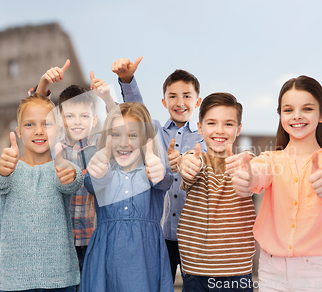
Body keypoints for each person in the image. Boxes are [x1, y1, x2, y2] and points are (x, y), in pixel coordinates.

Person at [230, 75, 322, 292]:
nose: (296, 116)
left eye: (307, 109)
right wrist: (247, 176)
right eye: (288, 110)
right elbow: (259, 173)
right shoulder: (269, 160)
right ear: (280, 116)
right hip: (271, 270)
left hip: (316, 270)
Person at [112, 57, 206, 282]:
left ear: (198, 101)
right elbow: (138, 111)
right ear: (164, 102)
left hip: (193, 235)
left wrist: (184, 161)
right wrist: (127, 80)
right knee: (157, 283)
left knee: (195, 285)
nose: (179, 101)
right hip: (161, 233)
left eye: (186, 96)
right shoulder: (154, 131)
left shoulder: (205, 136)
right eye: (172, 96)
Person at [0, 93, 83, 291]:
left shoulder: (62, 167)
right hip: (15, 282)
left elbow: (73, 181)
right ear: (18, 131)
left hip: (60, 281)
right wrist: (0, 169)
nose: (39, 131)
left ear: (58, 131)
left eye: (46, 124)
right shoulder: (8, 169)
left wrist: (71, 174)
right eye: (29, 125)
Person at [79, 102, 174, 292]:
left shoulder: (152, 172)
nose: (124, 143)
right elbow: (92, 182)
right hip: (105, 264)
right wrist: (98, 171)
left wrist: (159, 170)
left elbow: (165, 180)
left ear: (145, 139)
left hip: (145, 264)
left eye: (133, 135)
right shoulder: (103, 172)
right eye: (116, 134)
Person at [32, 60, 115, 275]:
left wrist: (106, 97)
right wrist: (43, 83)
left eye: (84, 116)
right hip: (60, 241)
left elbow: (121, 124)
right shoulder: (53, 145)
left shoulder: (99, 145)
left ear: (94, 119)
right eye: (70, 116)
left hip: (93, 239)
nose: (77, 122)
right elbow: (36, 112)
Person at [178, 92, 256, 291]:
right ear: (199, 127)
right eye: (211, 123)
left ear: (238, 129)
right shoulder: (196, 160)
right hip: (195, 270)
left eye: (228, 124)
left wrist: (250, 172)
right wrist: (186, 163)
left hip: (237, 271)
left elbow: (255, 172)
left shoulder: (247, 163)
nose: (219, 130)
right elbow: (189, 166)